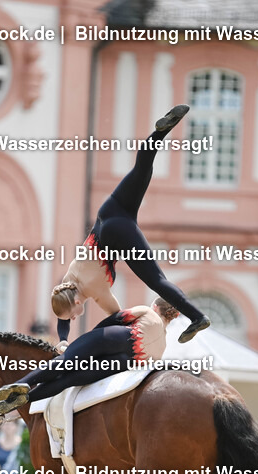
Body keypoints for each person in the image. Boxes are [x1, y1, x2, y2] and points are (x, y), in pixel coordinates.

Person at [50, 105, 209, 346]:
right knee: (142, 169)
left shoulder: (97, 292)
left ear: (78, 303)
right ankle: (160, 133)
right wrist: (62, 338)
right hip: (109, 211)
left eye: (72, 315)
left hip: (117, 232)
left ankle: (197, 317)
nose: (72, 319)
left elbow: (118, 317)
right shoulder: (69, 278)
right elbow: (63, 311)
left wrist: (74, 343)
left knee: (156, 280)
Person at [0, 298, 180, 414]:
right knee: (68, 380)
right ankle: (28, 398)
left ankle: (23, 383)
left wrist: (89, 338)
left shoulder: (148, 312)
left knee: (65, 362)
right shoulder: (162, 348)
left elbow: (116, 319)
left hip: (117, 338)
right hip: (123, 363)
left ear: (156, 307)